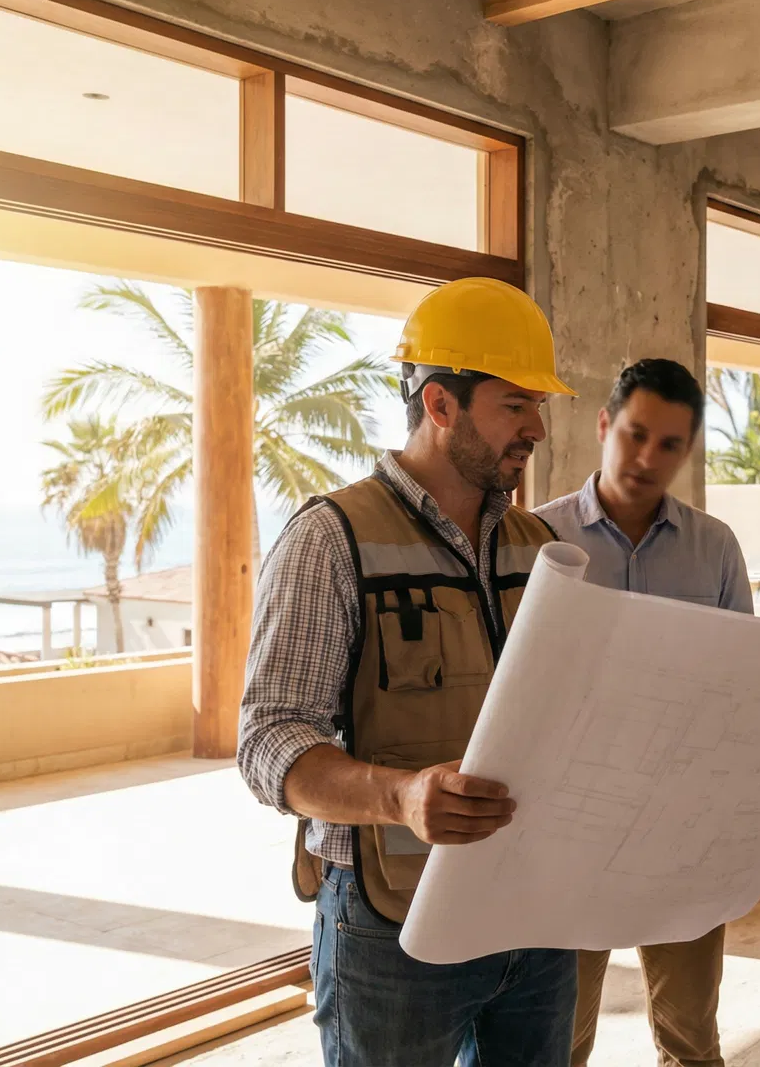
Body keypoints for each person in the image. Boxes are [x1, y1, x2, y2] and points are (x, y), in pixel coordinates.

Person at [236, 277, 582, 1066]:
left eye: (538, 405)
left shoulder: (542, 550)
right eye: (515, 403)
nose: (535, 425)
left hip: (534, 914)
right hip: (390, 933)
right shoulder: (331, 539)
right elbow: (267, 741)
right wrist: (400, 796)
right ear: (440, 406)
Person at [532, 357, 760, 1067]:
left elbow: (747, 692)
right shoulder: (535, 540)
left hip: (682, 831)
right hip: (570, 831)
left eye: (670, 445)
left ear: (688, 452)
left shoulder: (714, 548)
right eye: (635, 434)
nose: (647, 458)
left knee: (690, 1041)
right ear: (604, 425)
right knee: (555, 1043)